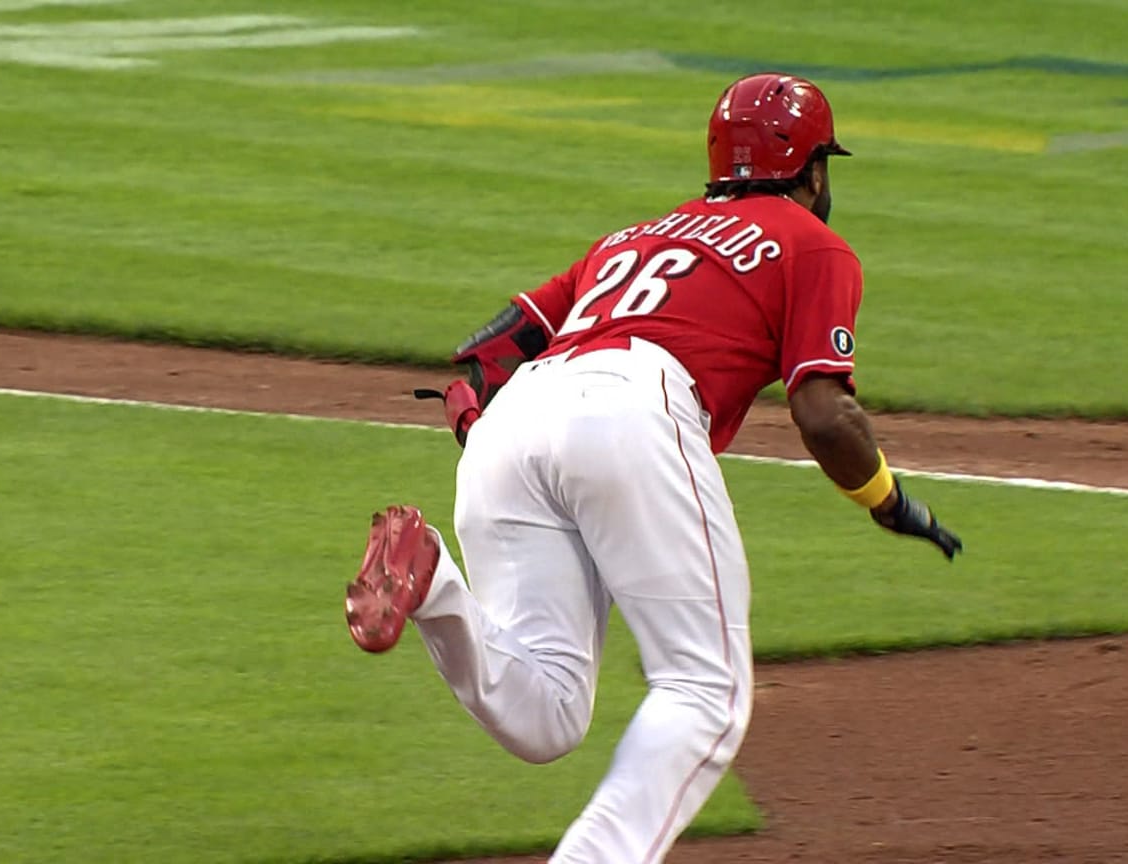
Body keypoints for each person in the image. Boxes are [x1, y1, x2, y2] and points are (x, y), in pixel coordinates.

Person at [344, 72, 963, 863]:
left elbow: (491, 352)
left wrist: (474, 413)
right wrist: (885, 499)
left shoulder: (632, 239)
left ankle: (432, 584)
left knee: (549, 716)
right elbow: (825, 414)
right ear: (811, 170)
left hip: (517, 421)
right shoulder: (813, 243)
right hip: (632, 409)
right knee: (707, 690)